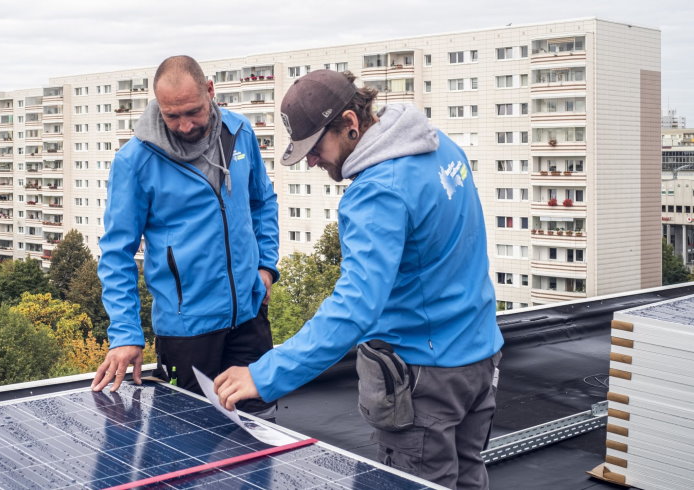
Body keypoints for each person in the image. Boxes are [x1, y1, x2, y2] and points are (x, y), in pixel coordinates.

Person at [214, 70, 504, 489]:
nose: (312, 161)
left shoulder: (376, 192)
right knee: (467, 477)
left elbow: (355, 308)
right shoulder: (440, 147)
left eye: (315, 147)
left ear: (350, 122)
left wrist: (265, 375)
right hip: (479, 359)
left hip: (425, 375)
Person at [91, 55, 279, 418]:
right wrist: (127, 333)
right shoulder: (135, 161)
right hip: (187, 330)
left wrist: (267, 266)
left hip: (250, 316)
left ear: (210, 91)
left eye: (193, 111)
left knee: (261, 429)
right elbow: (116, 254)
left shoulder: (239, 132)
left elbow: (263, 202)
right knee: (190, 446)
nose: (184, 124)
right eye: (171, 115)